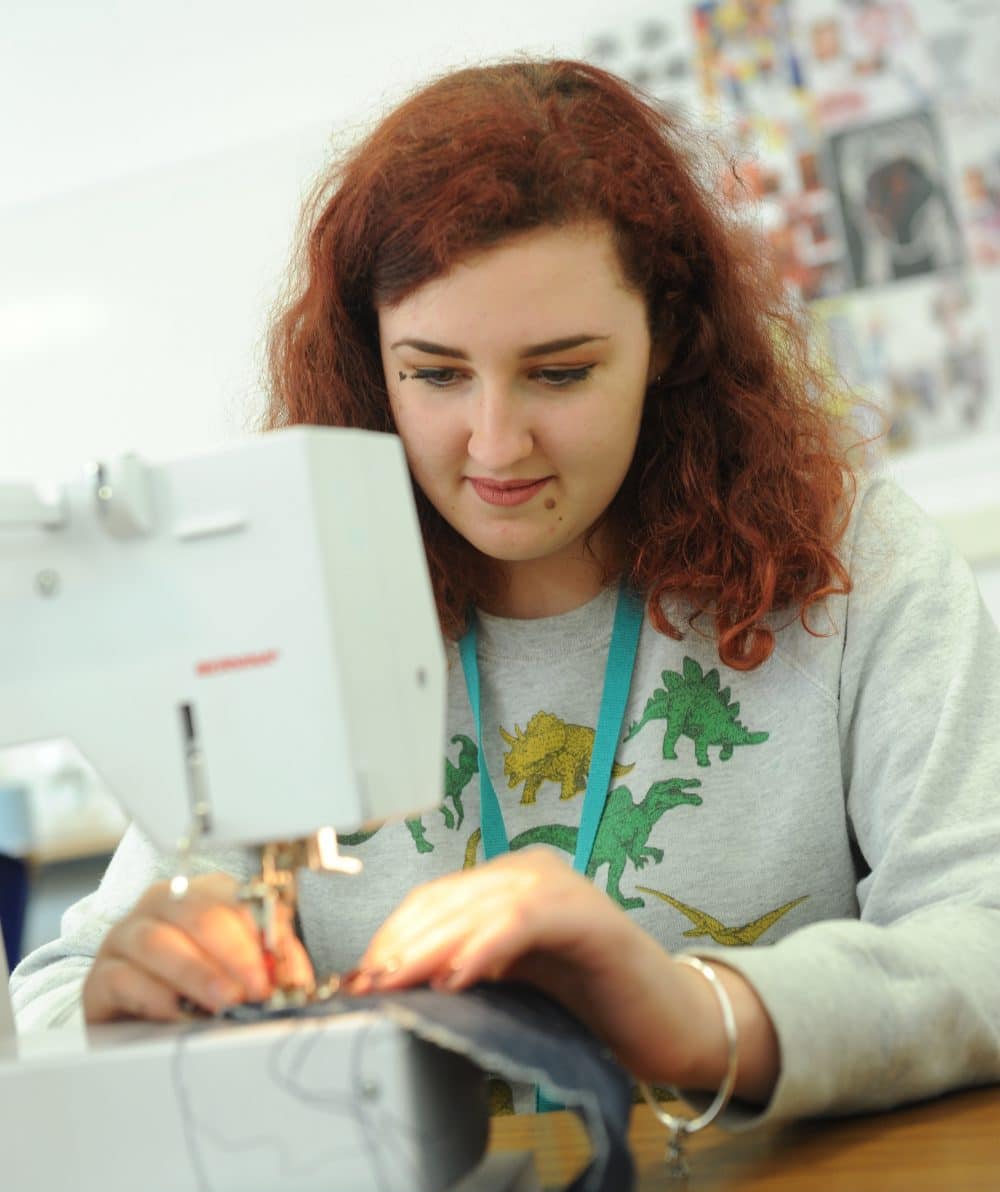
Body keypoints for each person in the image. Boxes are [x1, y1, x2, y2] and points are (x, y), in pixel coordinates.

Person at [11, 60, 1000, 1131]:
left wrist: (699, 1011)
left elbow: (983, 932)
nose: (494, 445)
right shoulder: (281, 601)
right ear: (369, 360)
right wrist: (120, 1019)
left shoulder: (852, 564)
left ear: (667, 340)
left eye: (561, 372)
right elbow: (57, 992)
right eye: (434, 374)